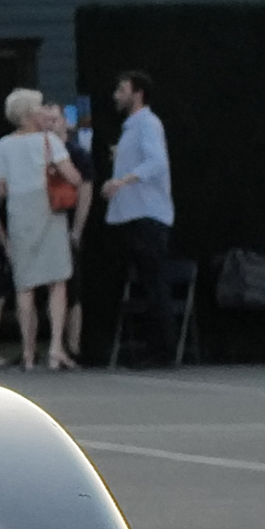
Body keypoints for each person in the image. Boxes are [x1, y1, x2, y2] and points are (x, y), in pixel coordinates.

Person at [92, 69, 186, 369]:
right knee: (144, 283)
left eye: (122, 89)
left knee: (153, 282)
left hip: (147, 215)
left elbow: (157, 162)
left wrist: (123, 180)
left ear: (137, 93)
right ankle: (148, 347)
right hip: (132, 215)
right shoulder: (133, 127)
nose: (116, 95)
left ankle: (162, 349)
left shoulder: (147, 123)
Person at [0, 83, 85, 371]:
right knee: (57, 280)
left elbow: (0, 190)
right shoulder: (49, 142)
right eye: (40, 107)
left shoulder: (3, 145)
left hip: (19, 216)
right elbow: (75, 178)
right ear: (30, 113)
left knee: (25, 285)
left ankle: (28, 353)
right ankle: (55, 348)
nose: (44, 111)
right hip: (49, 213)